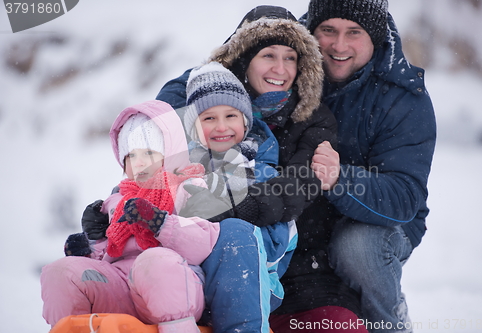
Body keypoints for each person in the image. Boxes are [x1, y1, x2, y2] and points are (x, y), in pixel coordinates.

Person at [156, 5, 367, 332]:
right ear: (244, 59)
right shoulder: (208, 105)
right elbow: (155, 156)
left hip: (298, 266)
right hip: (197, 248)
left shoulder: (314, 118)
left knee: (342, 326)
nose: (281, 69)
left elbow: (299, 184)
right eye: (268, 55)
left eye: (291, 57)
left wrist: (235, 209)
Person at [305, 0, 437, 332]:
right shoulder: (285, 50)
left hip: (382, 223)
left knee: (356, 247)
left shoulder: (402, 95)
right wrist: (160, 120)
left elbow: (405, 197)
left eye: (354, 33)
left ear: (374, 36)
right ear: (312, 28)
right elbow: (215, 74)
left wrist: (340, 180)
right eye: (328, 31)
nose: (339, 45)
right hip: (302, 211)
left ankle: (389, 322)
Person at [41, 100, 219, 333]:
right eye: (131, 155)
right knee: (62, 271)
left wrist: (161, 223)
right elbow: (109, 255)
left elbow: (204, 244)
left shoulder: (190, 187)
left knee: (153, 262)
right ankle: (74, 328)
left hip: (174, 286)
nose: (140, 162)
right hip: (121, 288)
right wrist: (90, 245)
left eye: (149, 152)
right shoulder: (117, 199)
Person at [180, 61, 299, 314]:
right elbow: (148, 190)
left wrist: (219, 218)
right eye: (209, 118)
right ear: (194, 128)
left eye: (230, 116)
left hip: (253, 279)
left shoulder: (261, 171)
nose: (221, 127)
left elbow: (276, 242)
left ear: (245, 123)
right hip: (190, 276)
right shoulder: (181, 168)